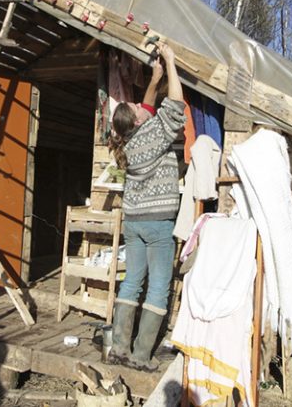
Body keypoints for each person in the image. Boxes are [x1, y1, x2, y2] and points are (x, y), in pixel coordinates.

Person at [106, 42, 186, 371]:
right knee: (157, 286)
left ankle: (119, 349)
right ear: (137, 122)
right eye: (137, 108)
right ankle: (141, 356)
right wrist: (170, 61)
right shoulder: (154, 132)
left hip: (134, 221)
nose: (141, 105)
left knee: (131, 281)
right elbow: (176, 104)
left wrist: (155, 78)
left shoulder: (128, 140)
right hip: (156, 223)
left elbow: (150, 108)